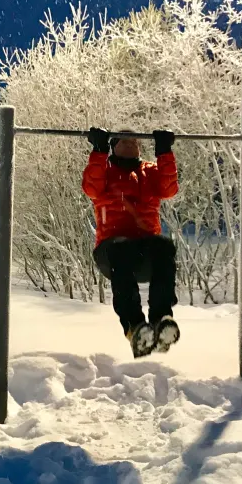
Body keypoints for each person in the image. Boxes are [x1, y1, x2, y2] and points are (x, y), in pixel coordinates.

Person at [82, 127, 181, 358]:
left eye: (134, 142)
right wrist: (98, 151)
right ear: (113, 146)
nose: (130, 145)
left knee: (164, 247)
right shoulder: (105, 171)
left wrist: (164, 152)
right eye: (124, 142)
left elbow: (169, 189)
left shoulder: (149, 172)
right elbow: (91, 187)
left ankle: (161, 319)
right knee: (122, 250)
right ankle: (134, 326)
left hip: (144, 250)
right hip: (112, 250)